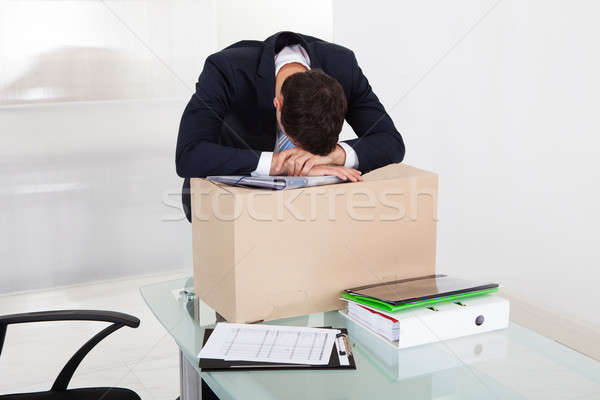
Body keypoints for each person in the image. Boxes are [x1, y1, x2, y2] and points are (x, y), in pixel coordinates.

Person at [176, 31, 405, 221]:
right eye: (297, 146)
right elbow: (189, 154)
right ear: (278, 104)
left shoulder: (343, 67)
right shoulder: (226, 70)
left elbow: (391, 141)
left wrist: (334, 155)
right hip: (227, 206)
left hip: (310, 210)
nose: (301, 155)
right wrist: (281, 164)